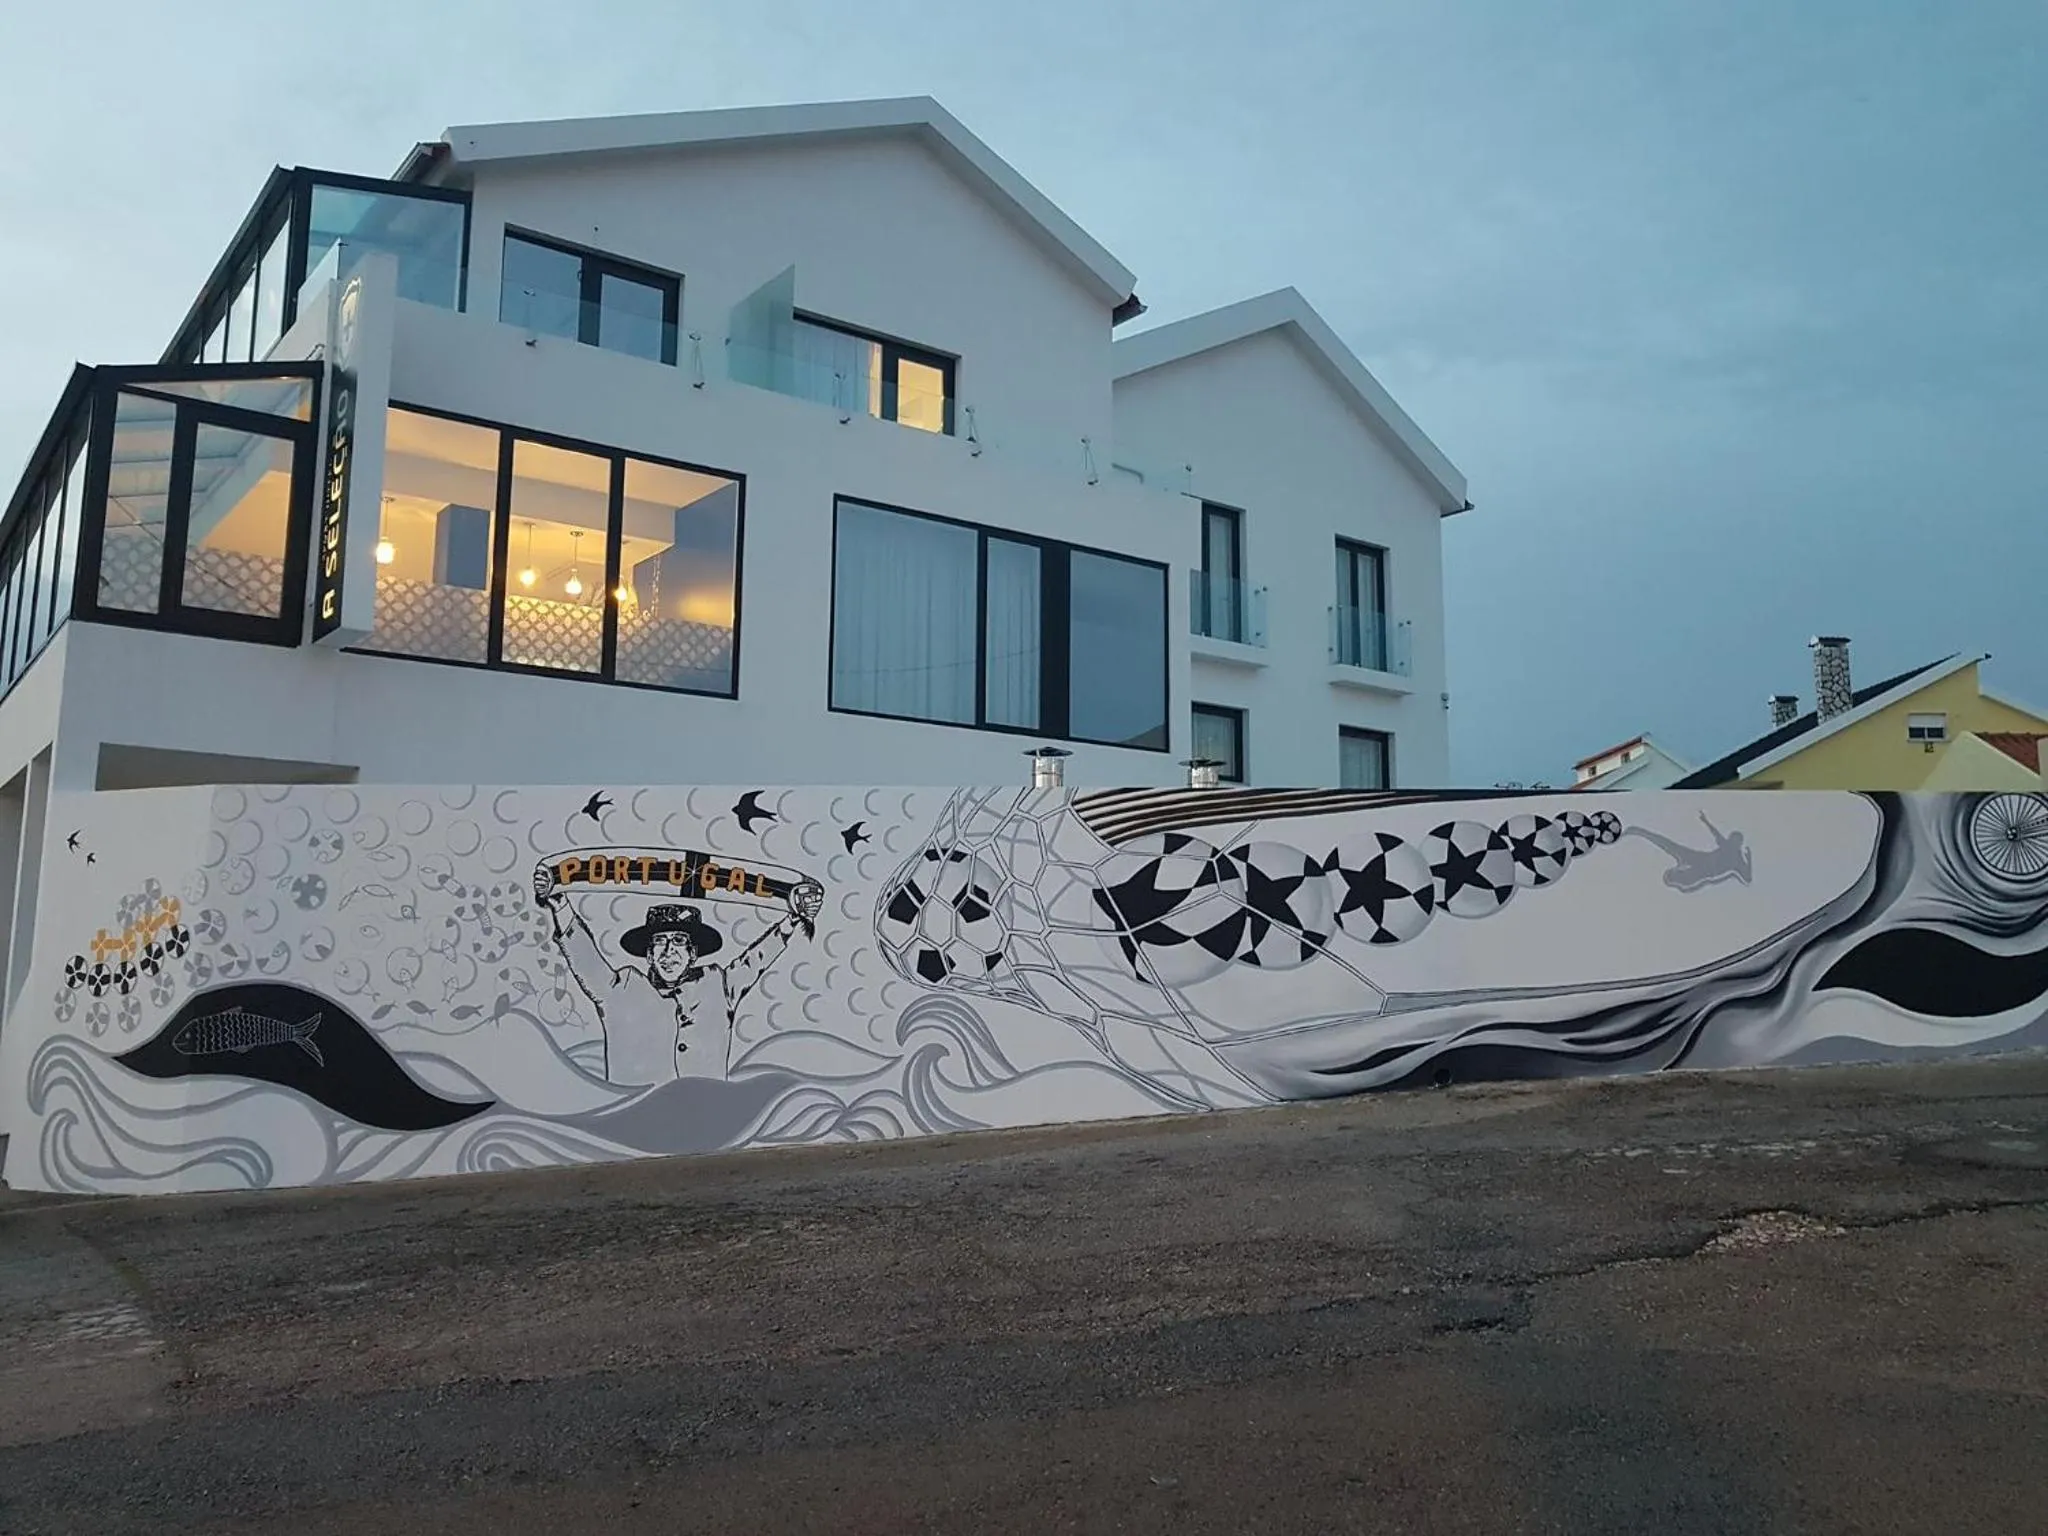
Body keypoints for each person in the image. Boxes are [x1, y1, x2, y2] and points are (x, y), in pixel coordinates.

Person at [534, 868, 825, 1086]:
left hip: (707, 1121)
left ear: (693, 954)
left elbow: (756, 959)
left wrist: (793, 919)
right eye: (660, 942)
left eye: (678, 941)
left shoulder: (717, 985)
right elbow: (585, 960)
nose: (668, 952)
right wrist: (560, 906)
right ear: (649, 955)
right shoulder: (620, 990)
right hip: (633, 1124)